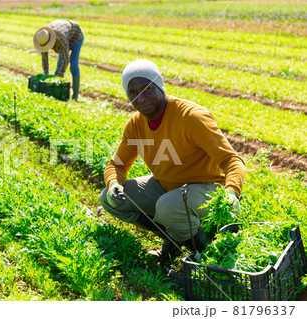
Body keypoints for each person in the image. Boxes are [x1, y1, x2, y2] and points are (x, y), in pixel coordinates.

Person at [99, 59, 245, 264]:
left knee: (168, 207)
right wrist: (114, 183)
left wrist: (231, 194)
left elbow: (232, 161)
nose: (140, 98)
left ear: (160, 86)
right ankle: (173, 240)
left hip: (208, 188)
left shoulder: (191, 117)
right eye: (133, 93)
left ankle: (209, 256)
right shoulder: (136, 124)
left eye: (147, 89)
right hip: (167, 187)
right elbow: (117, 165)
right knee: (108, 198)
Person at [33, 20, 84, 101]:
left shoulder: (60, 38)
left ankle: (75, 96)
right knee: (59, 65)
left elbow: (66, 58)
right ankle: (56, 92)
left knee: (73, 64)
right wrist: (46, 75)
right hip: (66, 35)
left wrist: (60, 75)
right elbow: (44, 59)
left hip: (76, 36)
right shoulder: (43, 38)